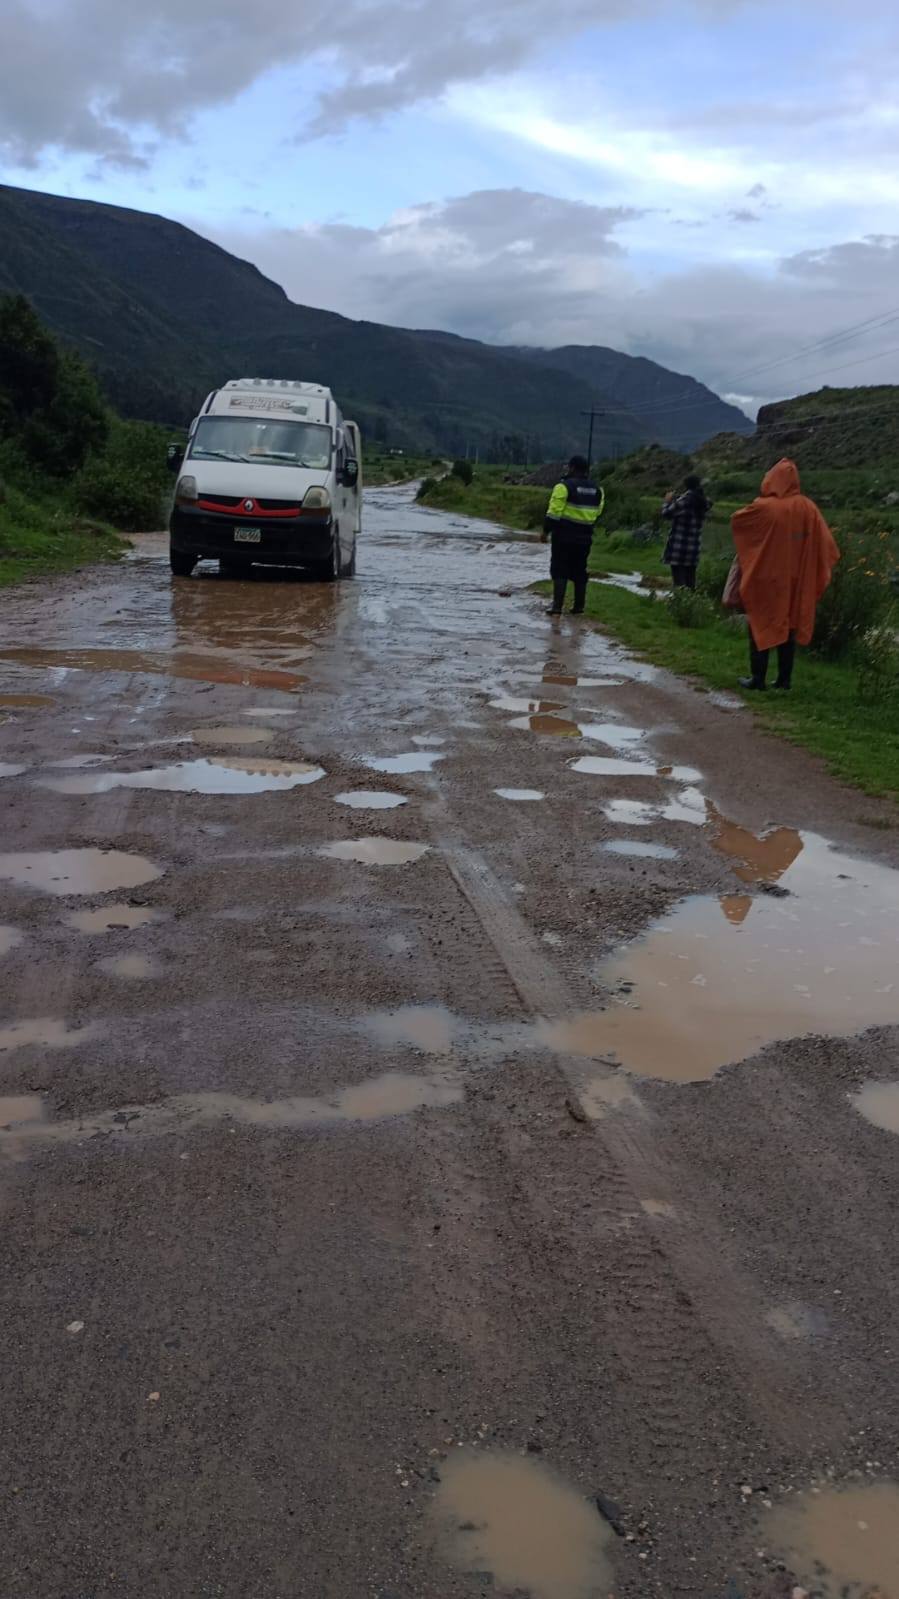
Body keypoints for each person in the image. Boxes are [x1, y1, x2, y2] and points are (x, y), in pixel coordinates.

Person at [731, 458, 839, 691]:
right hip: (797, 580)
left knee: (760, 623)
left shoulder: (763, 507)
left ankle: (758, 679)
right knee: (788, 626)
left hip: (767, 578)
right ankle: (784, 680)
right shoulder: (808, 508)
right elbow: (827, 545)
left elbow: (738, 521)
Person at [541, 455, 605, 616]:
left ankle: (557, 607)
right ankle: (579, 607)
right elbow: (597, 513)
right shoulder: (598, 489)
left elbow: (554, 513)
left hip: (563, 536)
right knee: (579, 570)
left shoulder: (563, 487)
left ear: (572, 468)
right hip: (584, 538)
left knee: (559, 569)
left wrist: (545, 532)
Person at [661, 474, 711, 589]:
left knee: (679, 581)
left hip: (679, 547)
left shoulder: (684, 500)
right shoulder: (703, 501)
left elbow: (666, 514)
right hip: (693, 548)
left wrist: (667, 501)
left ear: (686, 486)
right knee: (690, 580)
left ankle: (679, 603)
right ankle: (691, 604)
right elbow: (707, 502)